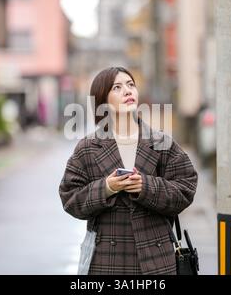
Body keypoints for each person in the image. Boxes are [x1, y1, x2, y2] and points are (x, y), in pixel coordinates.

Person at [59, 67, 198, 275]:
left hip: (157, 260)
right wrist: (106, 188)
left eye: (130, 85)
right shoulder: (87, 147)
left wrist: (146, 186)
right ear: (103, 101)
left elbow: (186, 188)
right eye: (117, 87)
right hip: (106, 261)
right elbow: (70, 198)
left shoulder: (161, 142)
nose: (127, 91)